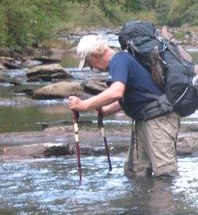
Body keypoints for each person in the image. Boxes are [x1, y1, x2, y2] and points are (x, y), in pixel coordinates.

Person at [67, 34, 181, 178]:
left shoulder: (118, 61)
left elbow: (116, 92)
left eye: (89, 64)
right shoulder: (121, 60)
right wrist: (106, 110)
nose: (92, 68)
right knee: (134, 172)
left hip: (159, 121)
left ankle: (166, 201)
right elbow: (136, 94)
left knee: (165, 175)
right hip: (145, 120)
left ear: (94, 55)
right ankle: (138, 201)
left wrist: (84, 105)